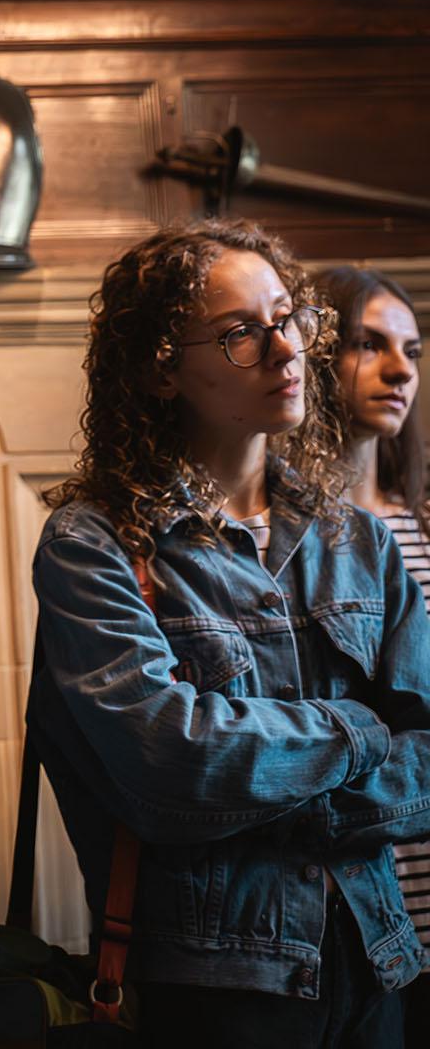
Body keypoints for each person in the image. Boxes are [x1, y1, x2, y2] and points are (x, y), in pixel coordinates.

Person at [29, 220, 429, 1049]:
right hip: (217, 988)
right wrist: (359, 730)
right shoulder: (92, 544)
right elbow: (172, 759)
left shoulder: (360, 541)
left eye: (289, 318)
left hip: (378, 960)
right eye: (242, 333)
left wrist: (267, 799)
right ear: (158, 368)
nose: (286, 352)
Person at [317, 265, 430, 1044]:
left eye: (412, 350)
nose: (401, 370)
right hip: (357, 894)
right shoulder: (287, 538)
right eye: (369, 344)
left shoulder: (420, 525)